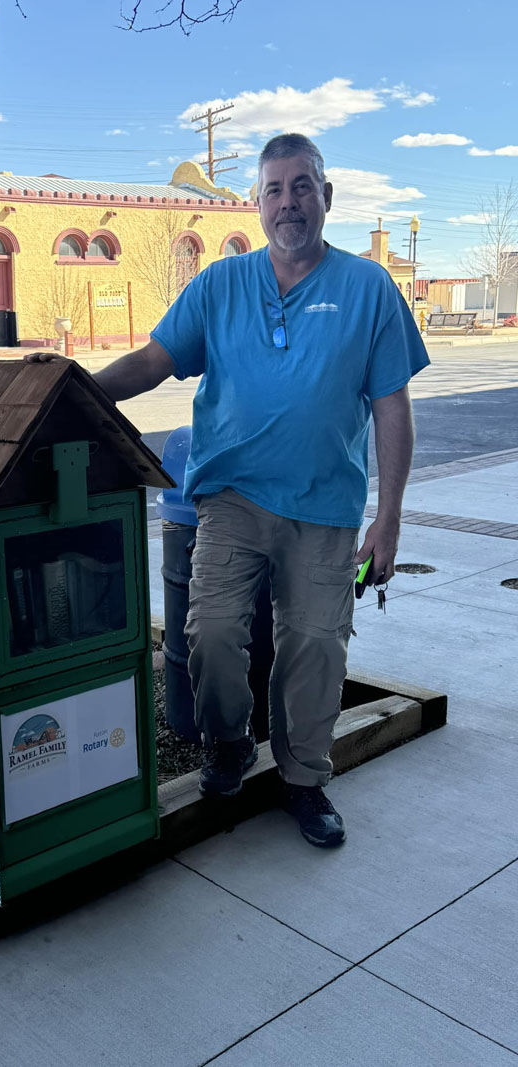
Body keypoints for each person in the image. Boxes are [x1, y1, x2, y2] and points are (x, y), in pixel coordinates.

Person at [27, 132, 428, 847]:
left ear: (326, 197)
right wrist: (72, 393)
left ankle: (304, 779)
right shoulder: (219, 285)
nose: (288, 203)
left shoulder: (368, 289)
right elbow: (153, 360)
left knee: (314, 646)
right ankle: (229, 742)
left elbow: (392, 406)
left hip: (325, 504)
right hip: (231, 497)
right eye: (274, 190)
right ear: (258, 203)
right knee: (209, 632)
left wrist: (388, 518)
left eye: (302, 186)